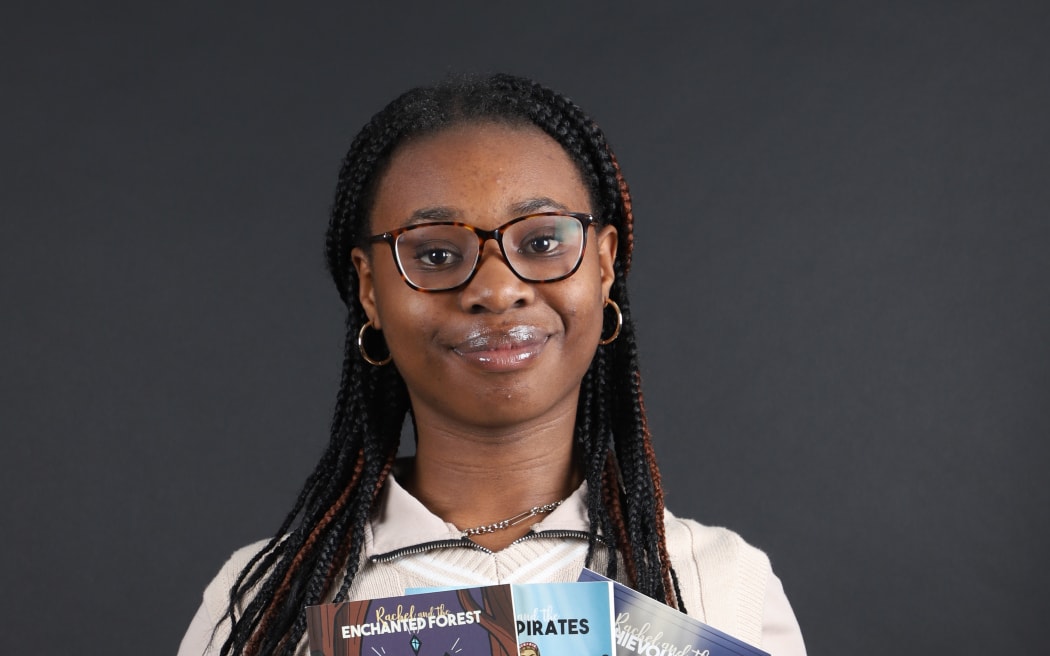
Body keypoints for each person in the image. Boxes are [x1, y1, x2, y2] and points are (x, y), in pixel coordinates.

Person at [178, 73, 807, 656]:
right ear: (370, 289)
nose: (498, 289)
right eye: (435, 254)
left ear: (605, 264)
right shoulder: (266, 600)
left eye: (541, 242)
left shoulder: (719, 583)